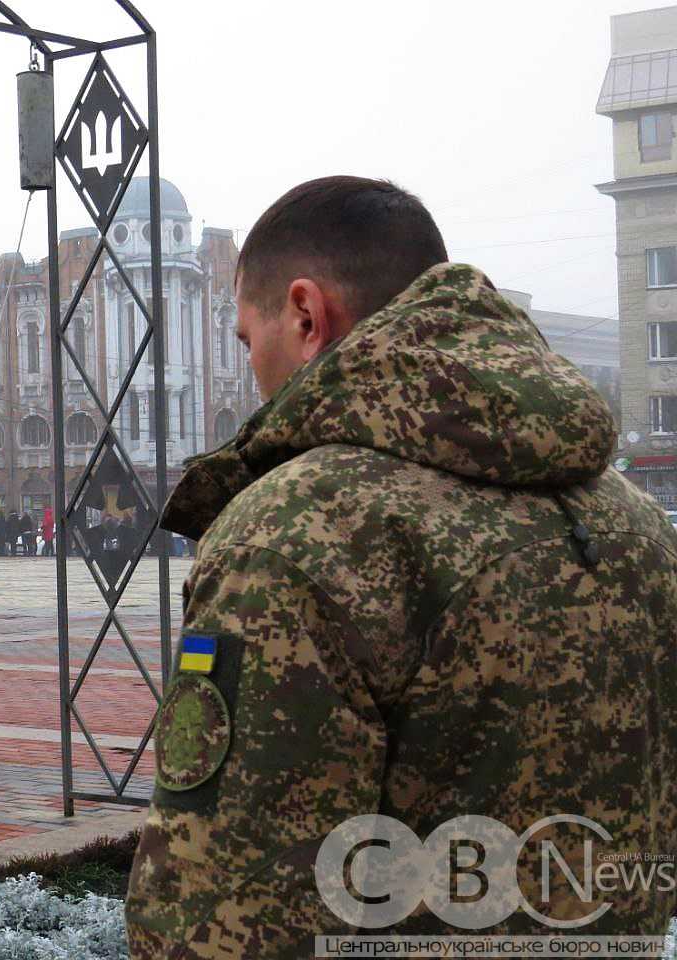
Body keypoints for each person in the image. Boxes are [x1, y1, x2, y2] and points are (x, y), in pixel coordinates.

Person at [126, 176, 677, 954]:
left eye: (252, 340)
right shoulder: (636, 521)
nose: (254, 371)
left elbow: (225, 916)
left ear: (308, 315)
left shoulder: (300, 532)